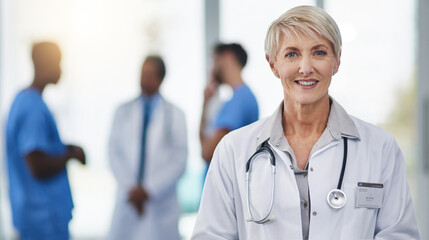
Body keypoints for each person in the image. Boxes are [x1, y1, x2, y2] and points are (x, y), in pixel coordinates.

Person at [192, 5, 420, 240]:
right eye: (292, 54)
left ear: (337, 61)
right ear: (273, 65)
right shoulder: (233, 150)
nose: (306, 68)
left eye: (319, 52)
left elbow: (399, 235)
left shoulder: (380, 148)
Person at [5, 41, 86, 240]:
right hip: (43, 219)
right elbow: (37, 165)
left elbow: (37, 149)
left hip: (38, 217)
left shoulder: (26, 101)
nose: (61, 69)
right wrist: (70, 156)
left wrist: (62, 148)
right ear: (45, 64)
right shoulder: (32, 108)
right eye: (58, 63)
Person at [108, 55, 188, 240]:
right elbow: (113, 153)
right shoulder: (122, 112)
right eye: (142, 74)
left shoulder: (175, 115)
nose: (144, 80)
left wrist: (148, 190)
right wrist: (132, 188)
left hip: (160, 203)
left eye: (150, 75)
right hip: (128, 199)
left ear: (161, 78)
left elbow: (179, 161)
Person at [199, 43, 259, 176]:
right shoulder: (243, 97)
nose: (213, 68)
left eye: (215, 60)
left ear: (227, 56)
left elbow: (207, 153)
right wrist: (206, 102)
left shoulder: (238, 101)